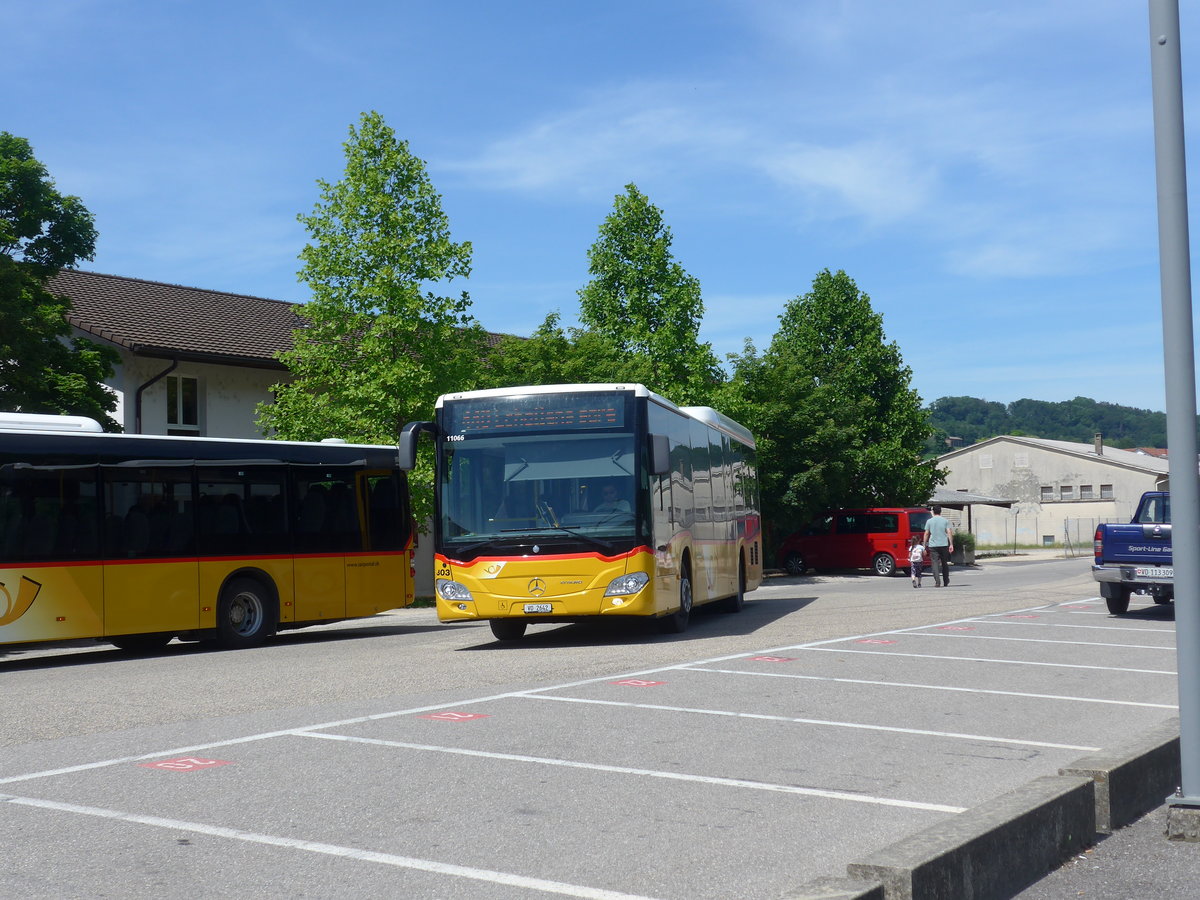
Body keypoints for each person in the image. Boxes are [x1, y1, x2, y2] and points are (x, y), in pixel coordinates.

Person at [923, 505, 954, 587]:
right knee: (944, 563)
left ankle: (937, 581)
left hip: (933, 545)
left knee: (935, 563)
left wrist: (924, 545)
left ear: (933, 511)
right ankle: (946, 580)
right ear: (941, 511)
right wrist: (951, 544)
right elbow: (949, 532)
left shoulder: (929, 521)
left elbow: (926, 533)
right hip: (944, 544)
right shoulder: (945, 521)